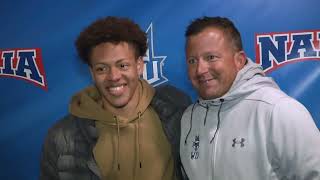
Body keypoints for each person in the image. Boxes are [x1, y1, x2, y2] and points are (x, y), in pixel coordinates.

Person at [40, 16, 191, 180]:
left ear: (139, 65)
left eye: (122, 65)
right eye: (101, 69)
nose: (113, 76)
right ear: (92, 73)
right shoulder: (63, 136)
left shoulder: (177, 108)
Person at [180, 16, 320, 180]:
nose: (200, 69)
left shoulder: (278, 110)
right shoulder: (189, 118)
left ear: (239, 60)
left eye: (211, 57)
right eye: (192, 60)